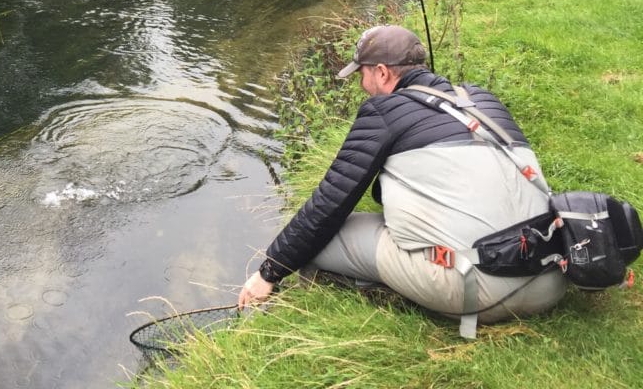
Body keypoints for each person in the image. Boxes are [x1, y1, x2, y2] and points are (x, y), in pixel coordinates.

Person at [238, 24, 566, 338]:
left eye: (362, 75)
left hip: (481, 292)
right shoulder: (482, 99)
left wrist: (269, 271)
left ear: (382, 72)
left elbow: (328, 205)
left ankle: (316, 309)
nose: (361, 86)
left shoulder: (383, 111)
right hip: (550, 278)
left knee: (322, 240)